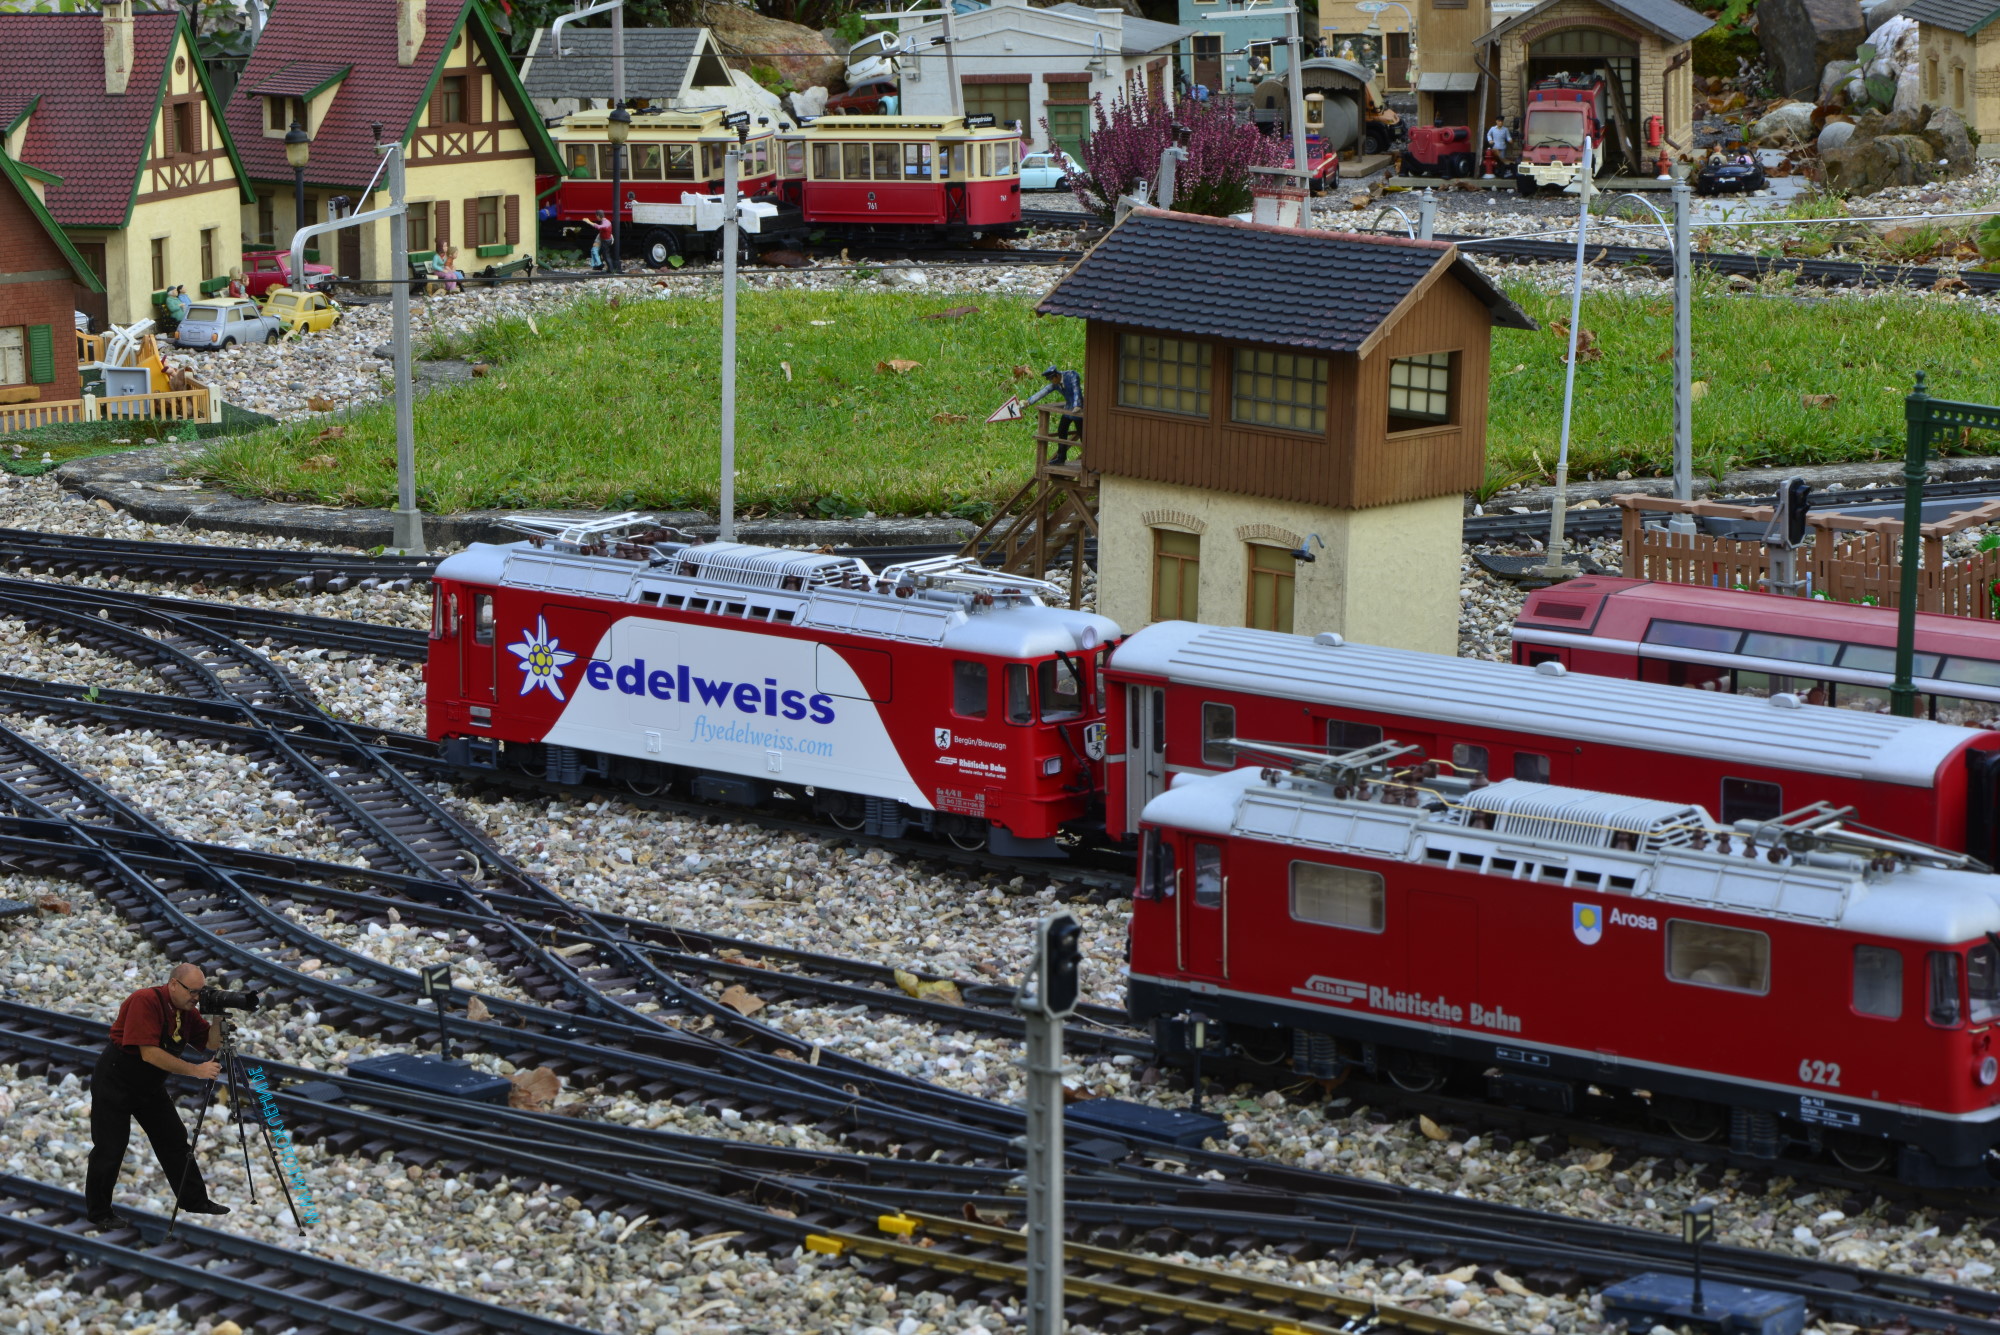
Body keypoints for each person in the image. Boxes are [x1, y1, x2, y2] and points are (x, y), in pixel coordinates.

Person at [85, 963, 230, 1228]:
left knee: (174, 1139)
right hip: (116, 1080)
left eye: (200, 993)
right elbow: (149, 1053)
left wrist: (217, 1015)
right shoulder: (145, 1000)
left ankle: (195, 1201)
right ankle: (99, 1213)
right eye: (192, 992)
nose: (196, 998)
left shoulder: (185, 1010)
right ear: (173, 984)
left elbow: (211, 1043)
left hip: (149, 1084)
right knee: (110, 1148)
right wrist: (195, 1071)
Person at [1023, 365, 1083, 465]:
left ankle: (1088, 458)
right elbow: (1044, 391)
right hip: (1068, 410)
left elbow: (1077, 390)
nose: (1052, 381)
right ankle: (1061, 457)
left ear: (1056, 376)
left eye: (1052, 379)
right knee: (1061, 430)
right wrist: (1029, 402)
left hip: (1079, 410)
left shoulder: (1071, 375)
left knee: (1082, 433)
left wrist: (1077, 405)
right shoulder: (1055, 384)